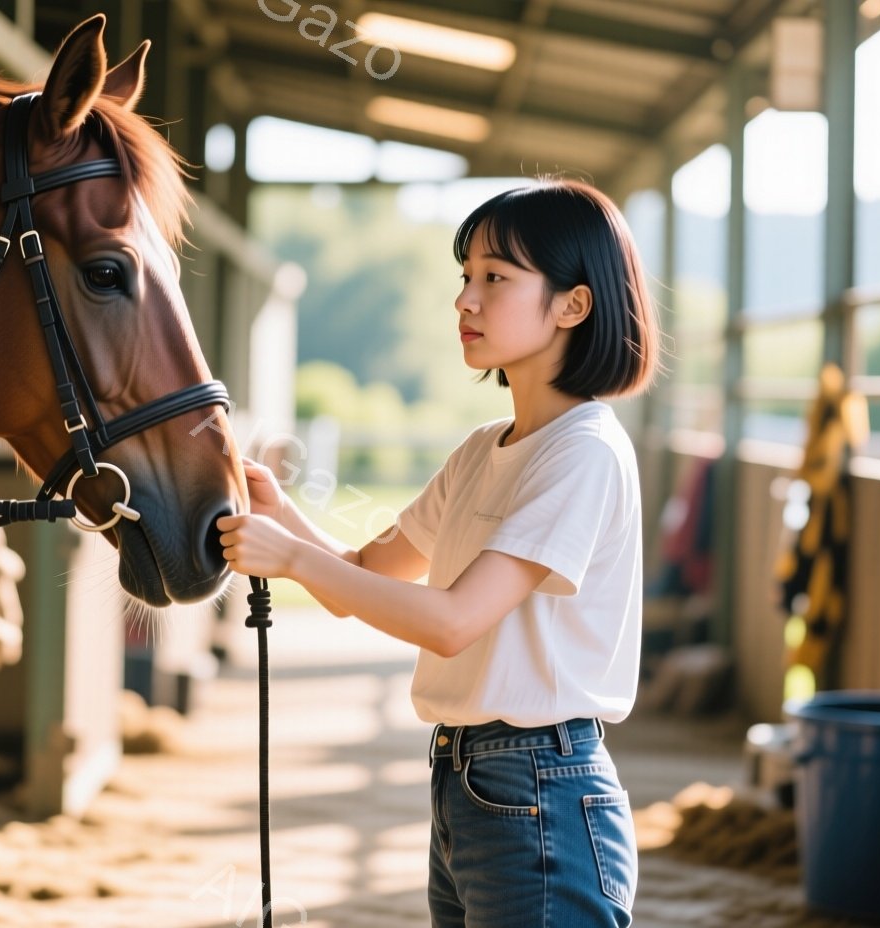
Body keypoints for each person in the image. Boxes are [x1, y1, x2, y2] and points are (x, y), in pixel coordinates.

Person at [215, 179, 661, 927]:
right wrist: (281, 515)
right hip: (465, 781)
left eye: (496, 278)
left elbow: (453, 621)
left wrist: (290, 559)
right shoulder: (482, 450)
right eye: (465, 276)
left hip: (539, 786)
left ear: (573, 305)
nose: (465, 300)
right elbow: (363, 576)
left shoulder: (582, 452)